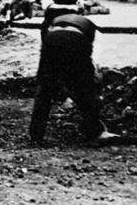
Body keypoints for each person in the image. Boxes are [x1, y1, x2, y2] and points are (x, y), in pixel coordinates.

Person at [30, 13, 119, 145]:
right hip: (76, 40)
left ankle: (36, 134)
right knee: (84, 90)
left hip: (51, 38)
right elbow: (92, 58)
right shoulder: (93, 29)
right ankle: (94, 132)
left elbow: (47, 48)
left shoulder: (55, 20)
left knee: (45, 89)